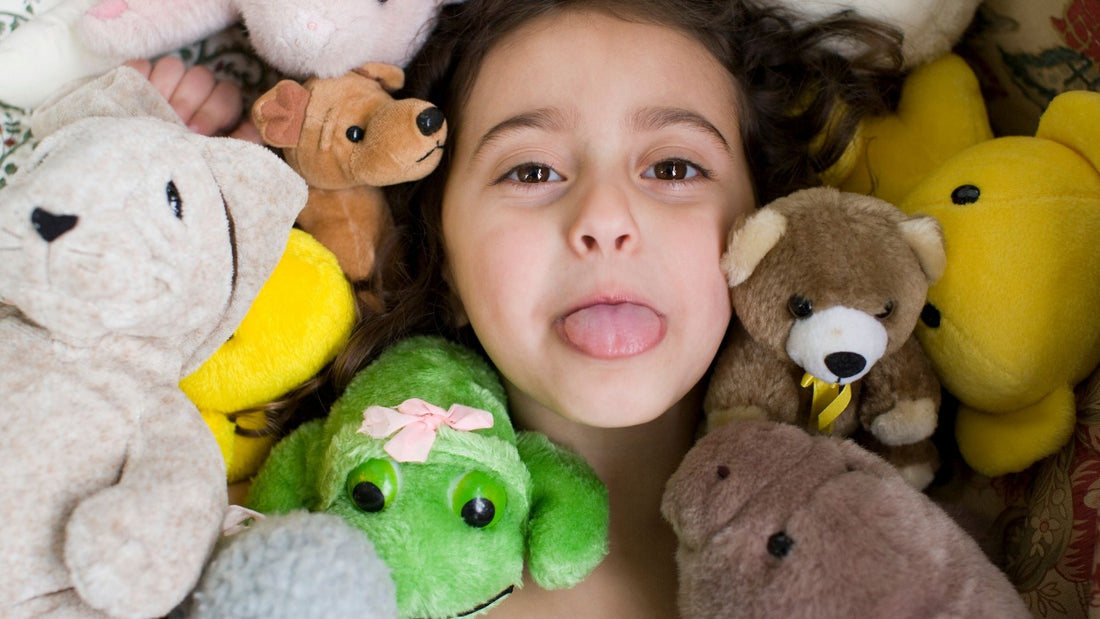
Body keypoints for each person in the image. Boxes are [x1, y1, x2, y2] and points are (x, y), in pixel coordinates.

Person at [146, 1, 902, 616]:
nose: (605, 218)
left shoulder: (898, 542)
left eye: (674, 167)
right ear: (441, 250)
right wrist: (174, 213)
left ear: (768, 223)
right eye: (532, 171)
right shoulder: (286, 560)